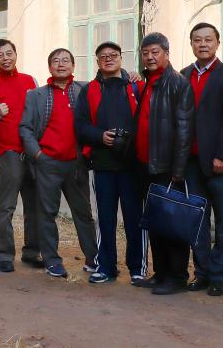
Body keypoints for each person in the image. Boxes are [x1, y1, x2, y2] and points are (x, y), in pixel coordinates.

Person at [20, 48, 98, 279]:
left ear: (73, 65)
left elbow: (111, 79)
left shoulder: (85, 90)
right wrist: (38, 155)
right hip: (48, 163)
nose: (61, 64)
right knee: (46, 214)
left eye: (65, 60)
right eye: (56, 61)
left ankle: (94, 259)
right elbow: (25, 128)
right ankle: (52, 261)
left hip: (77, 164)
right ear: (49, 67)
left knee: (83, 214)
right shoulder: (36, 95)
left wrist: (130, 75)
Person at [179, 23, 223, 296]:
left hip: (217, 163)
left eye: (208, 39)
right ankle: (202, 273)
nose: (203, 44)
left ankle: (218, 276)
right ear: (191, 44)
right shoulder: (183, 75)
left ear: (217, 43)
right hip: (190, 163)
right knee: (197, 220)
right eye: (197, 40)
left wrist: (222, 156)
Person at [75, 41, 146, 284]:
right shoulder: (90, 90)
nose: (108, 59)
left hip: (133, 165)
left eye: (113, 55)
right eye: (103, 56)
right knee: (105, 219)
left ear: (121, 58)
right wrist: (99, 136)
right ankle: (106, 267)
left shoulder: (136, 86)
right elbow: (80, 125)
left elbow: (147, 119)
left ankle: (137, 268)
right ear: (97, 61)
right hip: (103, 164)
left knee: (135, 219)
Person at [132, 32, 194, 295]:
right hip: (145, 165)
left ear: (166, 54)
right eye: (145, 53)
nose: (150, 57)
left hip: (166, 167)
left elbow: (184, 130)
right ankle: (160, 273)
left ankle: (177, 277)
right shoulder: (148, 82)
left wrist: (178, 170)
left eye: (155, 52)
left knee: (171, 225)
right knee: (155, 223)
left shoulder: (177, 83)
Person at [0, 39, 42, 273]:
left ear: (16, 54)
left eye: (9, 53)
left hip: (33, 151)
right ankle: (4, 255)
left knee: (35, 206)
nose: (5, 58)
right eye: (0, 55)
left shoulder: (30, 81)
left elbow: (40, 113)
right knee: (6, 206)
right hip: (8, 152)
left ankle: (32, 252)